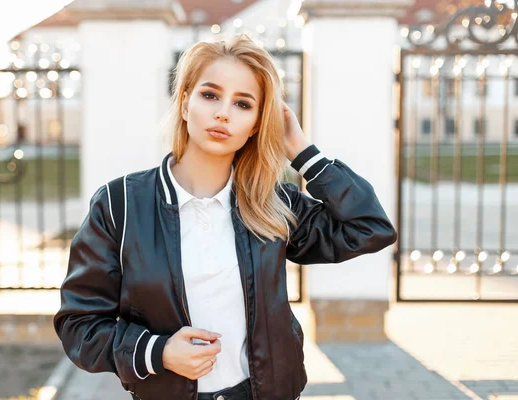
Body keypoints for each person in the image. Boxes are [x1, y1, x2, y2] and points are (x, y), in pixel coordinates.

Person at [53, 34, 397, 400]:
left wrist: (302, 152)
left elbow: (369, 228)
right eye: (210, 95)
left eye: (243, 104)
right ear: (184, 103)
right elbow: (80, 325)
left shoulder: (272, 204)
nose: (223, 113)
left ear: (256, 125)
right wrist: (159, 352)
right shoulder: (120, 204)